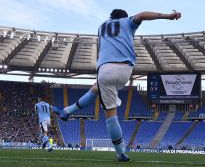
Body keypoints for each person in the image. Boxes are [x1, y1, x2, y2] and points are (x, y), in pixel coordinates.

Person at [54, 9, 181, 162]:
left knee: (110, 115)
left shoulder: (101, 27)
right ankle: (67, 111)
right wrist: (167, 16)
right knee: (96, 88)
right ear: (124, 17)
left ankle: (120, 153)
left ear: (110, 17)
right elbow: (141, 15)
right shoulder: (127, 21)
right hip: (125, 70)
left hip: (106, 70)